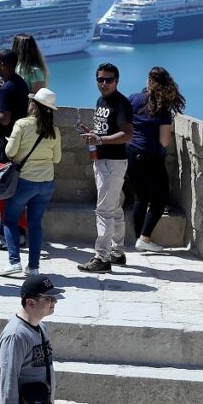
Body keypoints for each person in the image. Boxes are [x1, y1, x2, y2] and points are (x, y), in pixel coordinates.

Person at [0, 273, 63, 404]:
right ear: (31, 303)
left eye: (54, 297)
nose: (54, 302)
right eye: (48, 298)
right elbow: (8, 381)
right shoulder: (16, 335)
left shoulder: (40, 327)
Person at [0, 89, 61, 277]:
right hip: (46, 183)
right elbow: (56, 158)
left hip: (25, 180)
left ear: (33, 105)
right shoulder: (54, 131)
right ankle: (33, 267)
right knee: (35, 224)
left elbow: (10, 152)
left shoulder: (22, 125)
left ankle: (14, 261)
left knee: (9, 219)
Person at [78, 63, 134, 274]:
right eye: (100, 79)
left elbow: (127, 134)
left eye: (108, 79)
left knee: (103, 211)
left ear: (116, 81)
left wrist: (99, 139)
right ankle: (117, 252)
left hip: (113, 163)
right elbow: (107, 129)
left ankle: (102, 257)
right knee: (114, 208)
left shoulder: (121, 104)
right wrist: (93, 133)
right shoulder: (101, 101)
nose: (104, 83)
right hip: (103, 161)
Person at [129, 67, 186, 253]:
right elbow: (164, 141)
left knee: (140, 198)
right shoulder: (163, 108)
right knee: (160, 198)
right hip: (151, 156)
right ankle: (144, 239)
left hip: (131, 152)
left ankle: (139, 239)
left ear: (148, 81)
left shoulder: (133, 99)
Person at [0, 49, 30, 252]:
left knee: (1, 189)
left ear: (3, 64)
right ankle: (18, 234)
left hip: (4, 143)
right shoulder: (21, 83)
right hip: (17, 142)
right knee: (14, 190)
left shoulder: (8, 87)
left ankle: (4, 236)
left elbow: (5, 118)